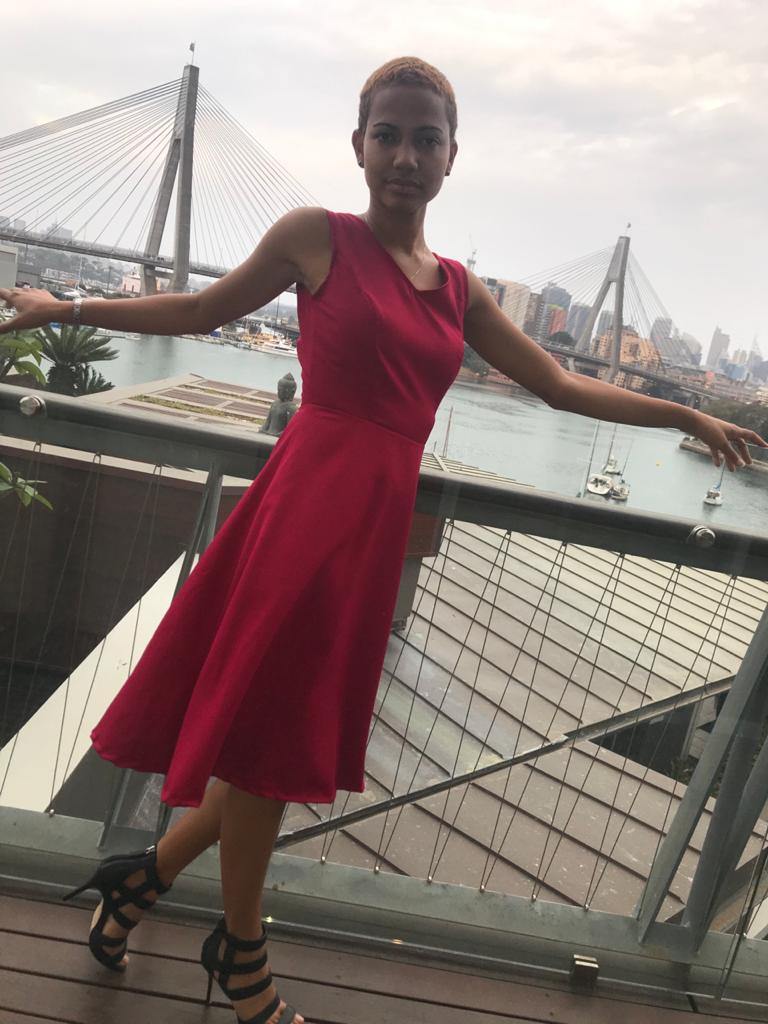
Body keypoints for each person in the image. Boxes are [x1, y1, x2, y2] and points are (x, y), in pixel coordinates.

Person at [0, 56, 765, 1024]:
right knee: (269, 745)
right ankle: (242, 955)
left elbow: (562, 387)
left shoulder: (459, 288)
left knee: (277, 738)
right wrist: (64, 306)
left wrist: (684, 417)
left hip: (369, 534)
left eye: (425, 138)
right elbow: (198, 310)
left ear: (452, 156)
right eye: (389, 135)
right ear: (359, 146)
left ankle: (139, 879)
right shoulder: (316, 236)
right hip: (301, 517)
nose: (406, 155)